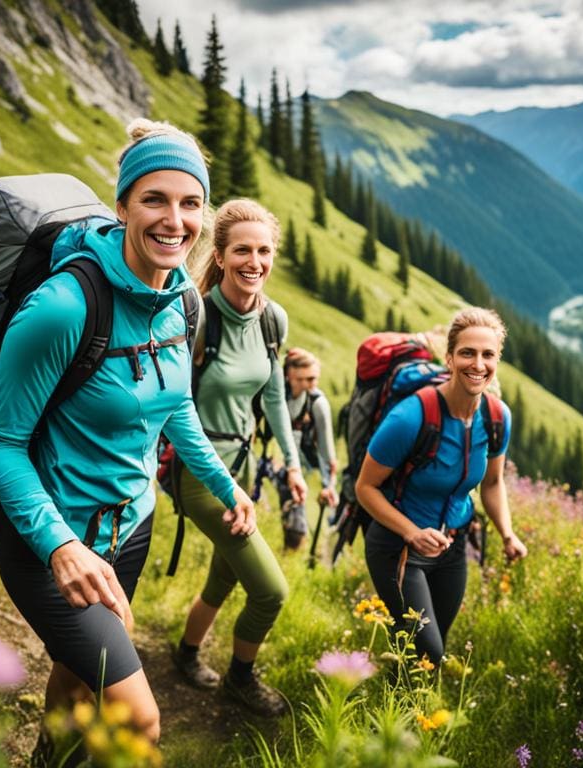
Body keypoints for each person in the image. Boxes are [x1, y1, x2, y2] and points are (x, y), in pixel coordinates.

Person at [0, 118, 254, 749]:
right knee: (140, 721)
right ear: (123, 202)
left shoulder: (184, 301)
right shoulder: (64, 308)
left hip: (130, 530)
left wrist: (221, 481)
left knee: (76, 681)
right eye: (154, 199)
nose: (173, 221)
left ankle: (46, 759)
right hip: (52, 544)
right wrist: (61, 546)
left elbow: (174, 403)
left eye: (190, 204)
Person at [170, 198, 307, 717]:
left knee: (226, 573)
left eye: (264, 251)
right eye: (243, 251)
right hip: (200, 472)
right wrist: (225, 481)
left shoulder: (273, 319)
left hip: (244, 467)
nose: (255, 262)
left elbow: (272, 396)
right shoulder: (198, 316)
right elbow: (174, 403)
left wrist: (292, 465)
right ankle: (240, 679)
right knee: (270, 591)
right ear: (221, 256)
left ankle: (185, 653)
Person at [355, 307, 527, 665]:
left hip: (452, 547)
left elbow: (493, 483)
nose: (477, 364)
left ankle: (400, 715)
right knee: (428, 650)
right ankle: (393, 716)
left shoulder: (497, 417)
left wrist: (507, 534)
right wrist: (412, 533)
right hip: (398, 546)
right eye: (467, 353)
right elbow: (365, 488)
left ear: (497, 361)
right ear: (449, 357)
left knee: (424, 653)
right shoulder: (411, 416)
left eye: (487, 355)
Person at [277, 347, 338, 550]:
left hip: (303, 469)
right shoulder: (275, 396)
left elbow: (327, 450)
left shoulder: (318, 404)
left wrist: (329, 484)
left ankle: (289, 560)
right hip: (272, 462)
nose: (311, 385)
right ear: (289, 375)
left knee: (296, 528)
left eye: (314, 379)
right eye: (305, 379)